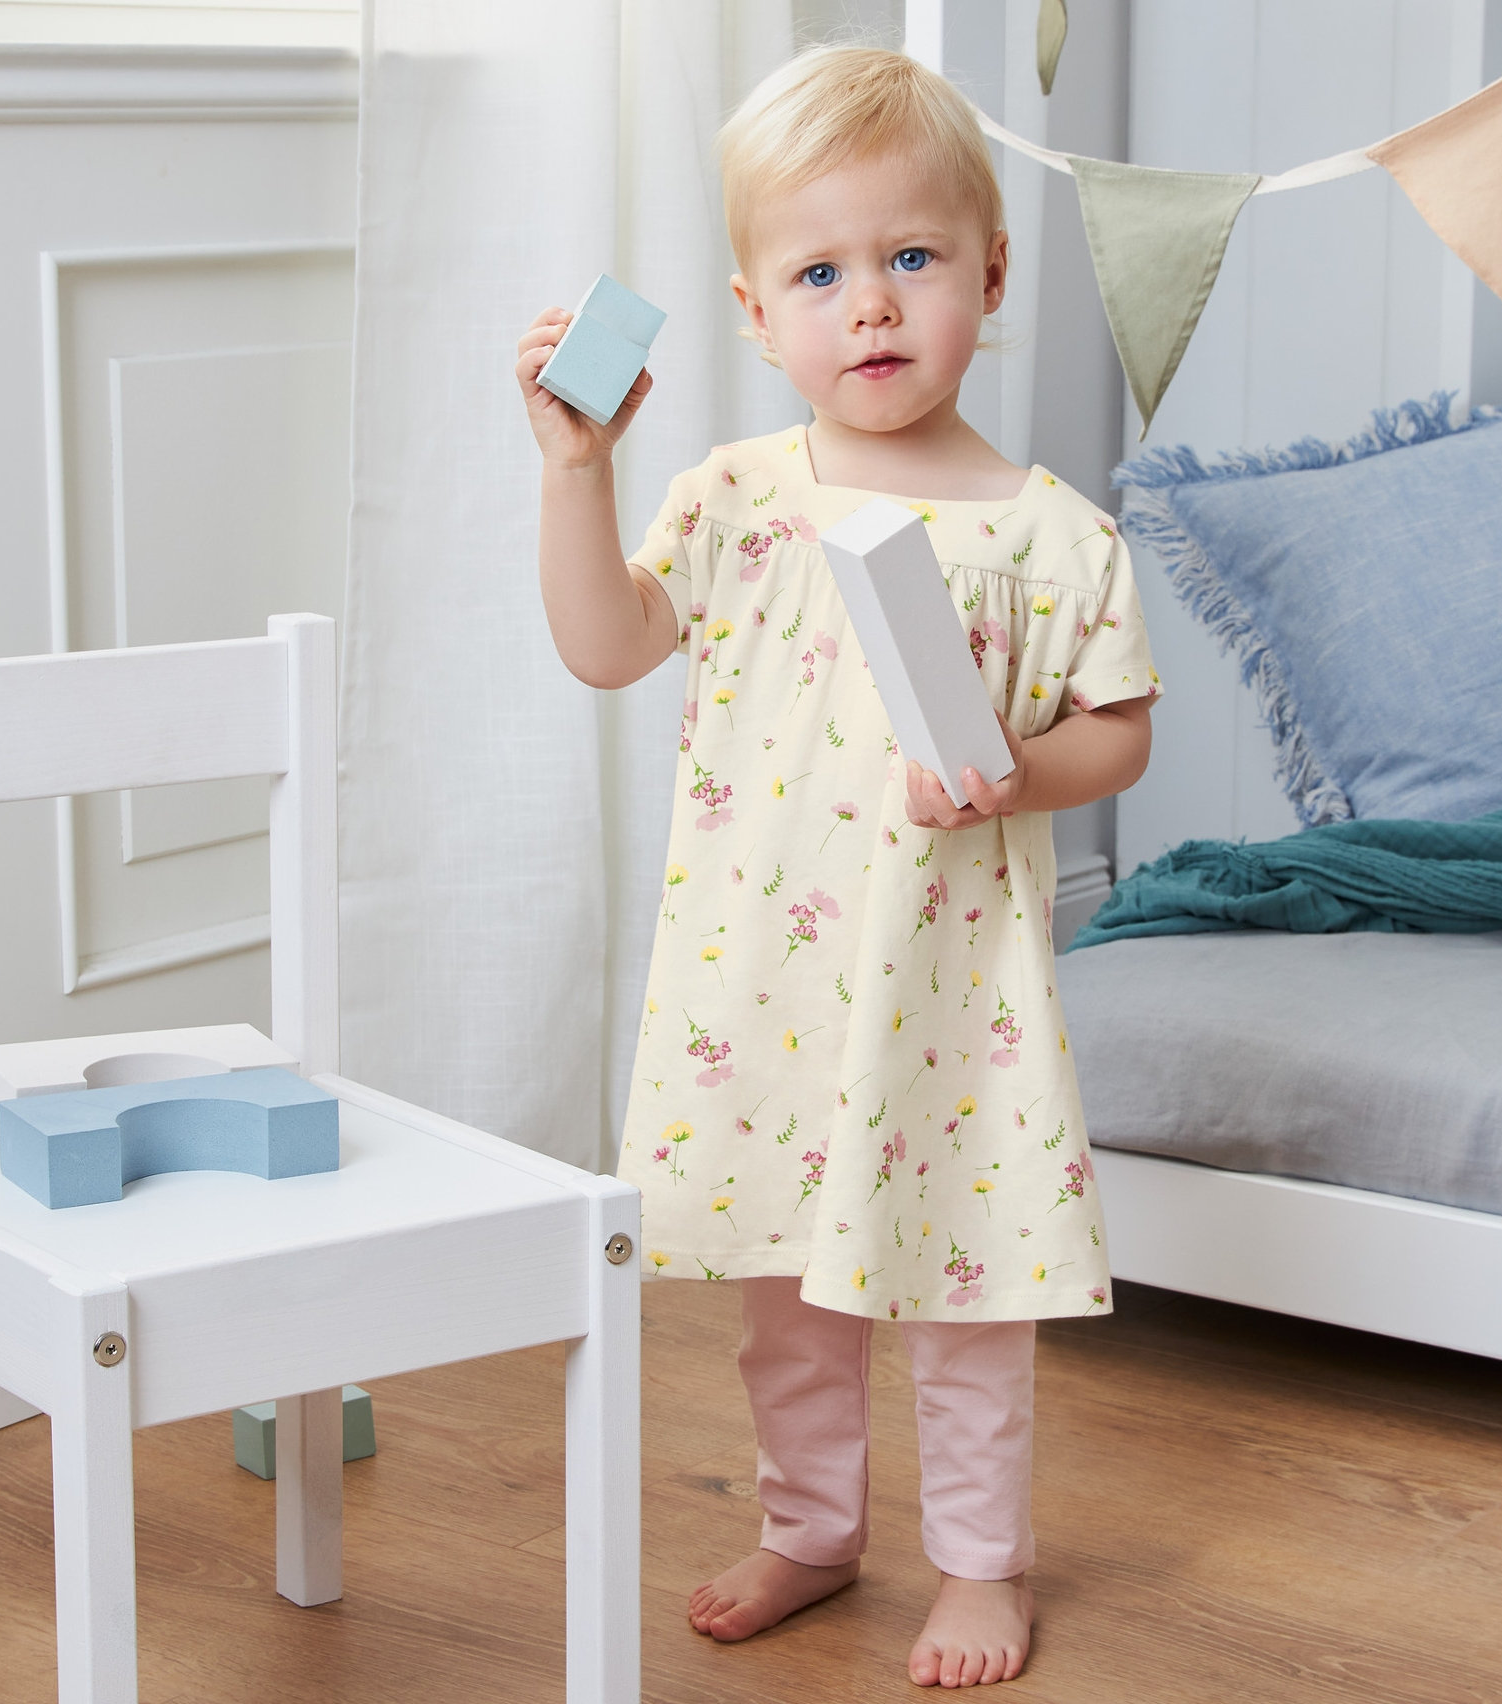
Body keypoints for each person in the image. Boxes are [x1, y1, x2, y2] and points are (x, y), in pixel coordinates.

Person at [514, 44, 1160, 1690]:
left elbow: (1119, 737)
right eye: (821, 272)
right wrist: (573, 475)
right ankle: (811, 1529)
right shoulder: (733, 499)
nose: (869, 307)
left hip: (955, 1000)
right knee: (783, 1301)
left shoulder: (1052, 530)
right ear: (752, 312)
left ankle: (981, 1563)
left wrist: (1014, 771)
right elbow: (604, 648)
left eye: (912, 260)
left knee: (964, 1296)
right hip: (766, 986)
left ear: (990, 275)